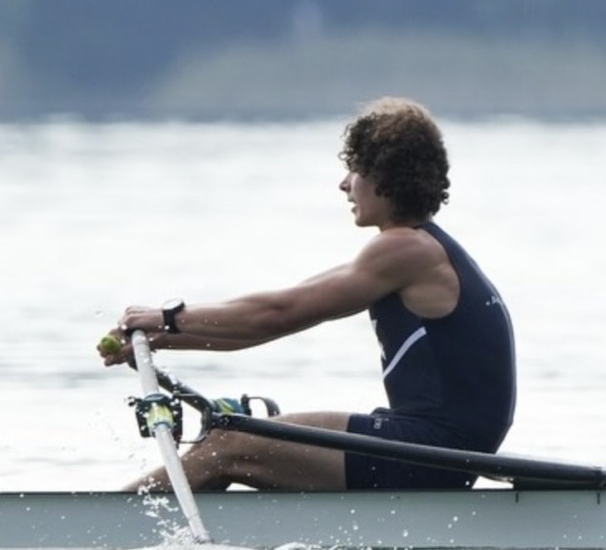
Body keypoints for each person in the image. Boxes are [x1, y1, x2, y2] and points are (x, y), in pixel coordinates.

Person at [100, 97, 516, 492]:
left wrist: (167, 317)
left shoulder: (406, 250)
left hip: (431, 452)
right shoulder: (414, 251)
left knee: (228, 445)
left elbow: (279, 313)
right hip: (436, 448)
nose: (343, 184)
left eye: (353, 169)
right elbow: (274, 312)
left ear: (385, 176)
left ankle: (104, 525)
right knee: (239, 440)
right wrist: (160, 339)